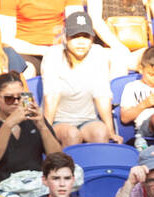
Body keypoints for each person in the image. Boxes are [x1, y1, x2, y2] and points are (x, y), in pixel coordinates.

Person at [0, 70, 63, 197]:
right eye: (9, 98)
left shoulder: (35, 120)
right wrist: (8, 124)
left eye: (21, 97)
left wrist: (42, 126)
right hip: (3, 186)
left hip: (35, 183)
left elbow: (57, 158)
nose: (16, 102)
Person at [42, 11, 120, 147]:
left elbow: (102, 95)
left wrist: (111, 131)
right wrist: (45, 132)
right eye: (75, 36)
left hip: (88, 119)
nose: (81, 42)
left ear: (92, 38)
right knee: (72, 135)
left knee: (101, 132)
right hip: (58, 121)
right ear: (66, 38)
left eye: (85, 37)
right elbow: (51, 96)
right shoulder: (53, 55)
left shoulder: (99, 53)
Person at [0, 0, 85, 72]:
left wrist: (61, 49)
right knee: (27, 71)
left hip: (59, 48)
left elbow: (77, 28)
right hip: (25, 51)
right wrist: (44, 51)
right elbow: (6, 39)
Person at [86, 0, 154, 75]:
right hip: (107, 47)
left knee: (153, 60)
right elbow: (95, 20)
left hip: (137, 47)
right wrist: (119, 47)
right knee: (118, 61)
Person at [24, 150, 98, 197]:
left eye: (67, 178)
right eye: (56, 178)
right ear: (45, 180)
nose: (62, 184)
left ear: (73, 180)